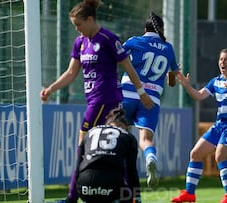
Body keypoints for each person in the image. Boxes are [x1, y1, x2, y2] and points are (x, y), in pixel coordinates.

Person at [40, 0, 153, 202]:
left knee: (82, 146)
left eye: (79, 24)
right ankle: (129, 197)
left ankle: (72, 197)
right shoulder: (80, 42)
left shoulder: (108, 39)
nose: (77, 29)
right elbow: (71, 72)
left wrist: (141, 92)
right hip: (93, 99)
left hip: (105, 99)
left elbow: (128, 66)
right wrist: (51, 89)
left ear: (90, 19)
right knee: (114, 147)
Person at [171, 48, 227, 203]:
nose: (222, 62)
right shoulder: (216, 81)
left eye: (226, 59)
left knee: (220, 156)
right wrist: (187, 86)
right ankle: (189, 193)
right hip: (220, 125)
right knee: (195, 154)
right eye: (221, 59)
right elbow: (199, 96)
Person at [120, 12, 179, 187]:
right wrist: (172, 75)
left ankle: (120, 176)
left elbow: (119, 58)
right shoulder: (168, 48)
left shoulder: (134, 41)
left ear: (145, 29)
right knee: (145, 139)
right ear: (161, 29)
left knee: (120, 135)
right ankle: (151, 157)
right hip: (152, 98)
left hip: (128, 93)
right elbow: (172, 81)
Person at [75, 107, 141, 203]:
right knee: (126, 196)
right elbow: (131, 171)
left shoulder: (89, 132)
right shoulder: (128, 136)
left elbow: (77, 168)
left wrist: (73, 195)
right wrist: (137, 196)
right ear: (124, 127)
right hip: (110, 184)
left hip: (85, 184)